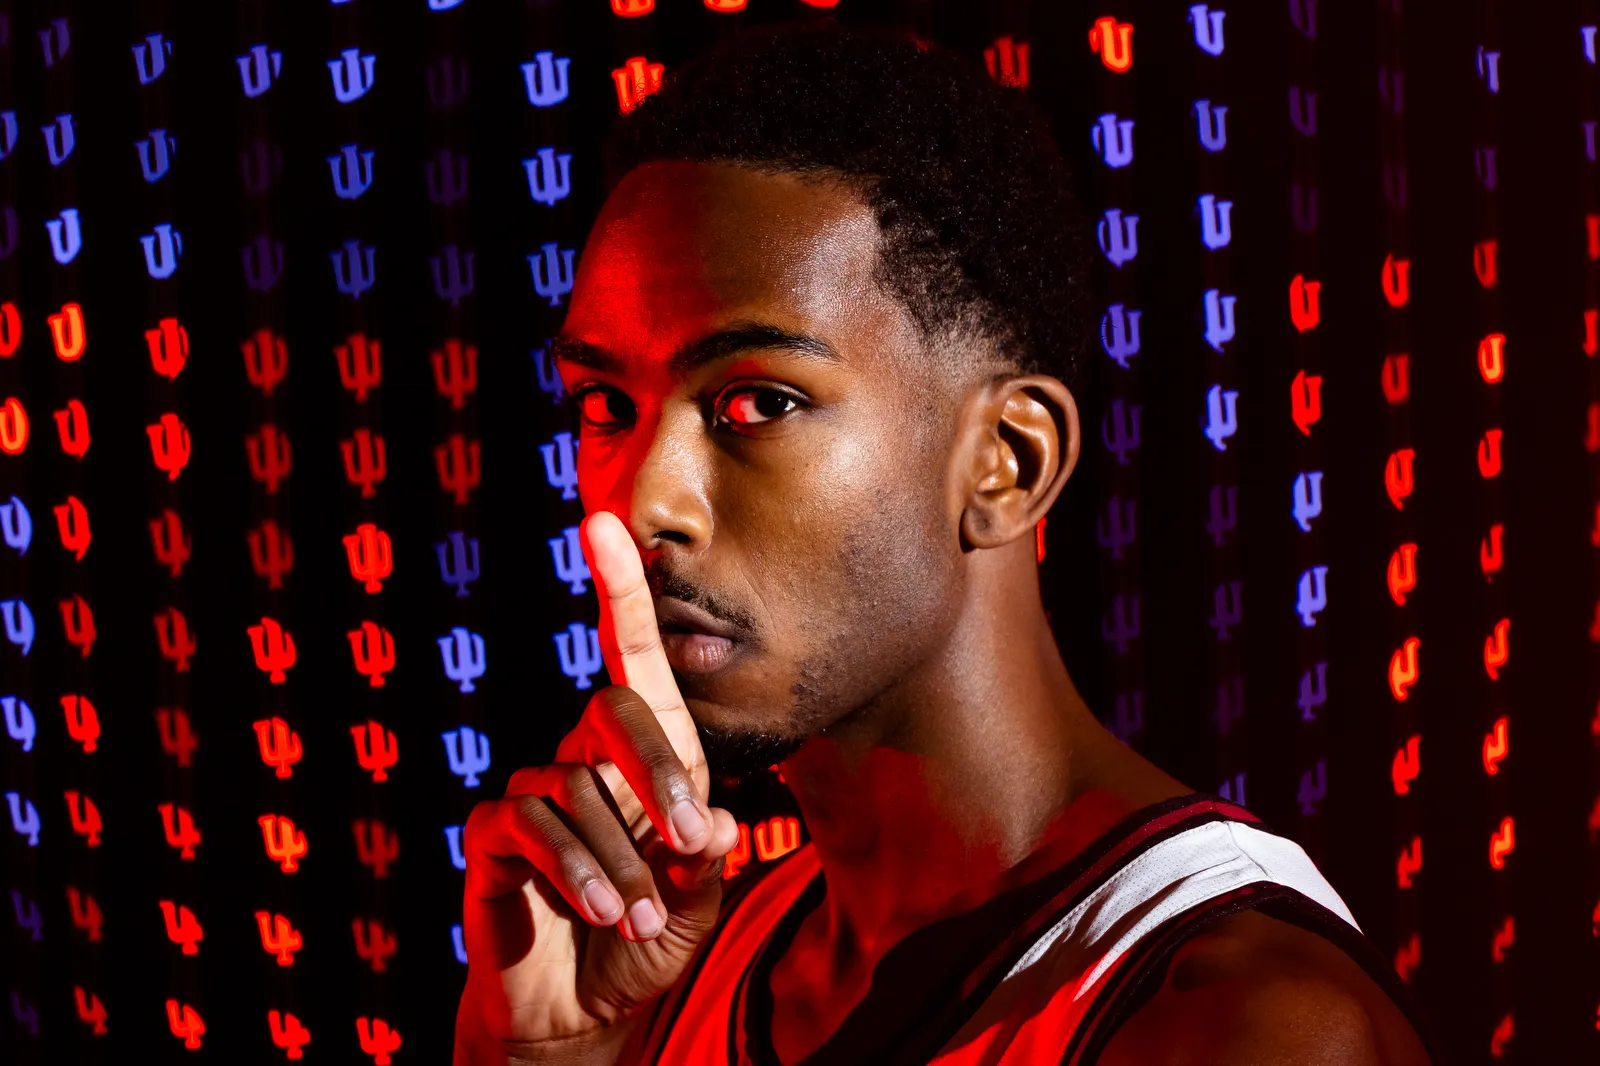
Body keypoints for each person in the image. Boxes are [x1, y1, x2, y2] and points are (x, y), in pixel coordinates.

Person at [454, 20, 1432, 1066]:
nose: (644, 499)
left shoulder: (1237, 1023)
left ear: (1006, 461)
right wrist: (541, 1060)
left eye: (757, 401)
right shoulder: (662, 969)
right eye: (605, 405)